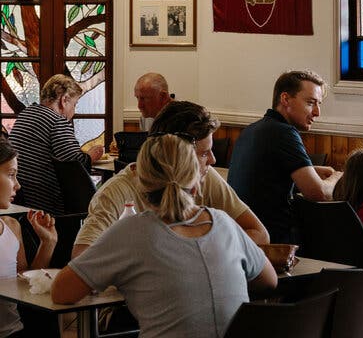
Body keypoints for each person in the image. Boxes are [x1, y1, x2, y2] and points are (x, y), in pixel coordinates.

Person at [52, 134, 277, 338]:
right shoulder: (225, 223)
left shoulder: (131, 231)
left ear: (140, 183)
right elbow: (269, 280)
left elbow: (61, 291)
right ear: (197, 184)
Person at [72, 101, 269, 257]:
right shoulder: (117, 192)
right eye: (203, 154)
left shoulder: (207, 178)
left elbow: (260, 234)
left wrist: (199, 256)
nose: (213, 159)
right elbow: (81, 256)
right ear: (175, 153)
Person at [228, 70, 342, 243]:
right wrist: (336, 177)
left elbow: (267, 177)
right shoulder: (283, 132)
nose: (317, 112)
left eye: (318, 104)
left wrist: (309, 170)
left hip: (241, 238)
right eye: (311, 103)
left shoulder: (252, 130)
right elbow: (319, 194)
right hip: (274, 243)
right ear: (285, 99)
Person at [8, 74, 104, 215]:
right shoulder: (56, 121)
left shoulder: (26, 114)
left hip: (18, 198)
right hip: (43, 202)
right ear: (64, 100)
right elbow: (74, 165)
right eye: (74, 104)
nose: (74, 111)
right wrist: (91, 156)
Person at [0, 139, 57, 338]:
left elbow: (23, 286)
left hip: (13, 332)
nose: (18, 185)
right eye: (11, 175)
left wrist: (47, 243)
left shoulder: (11, 226)